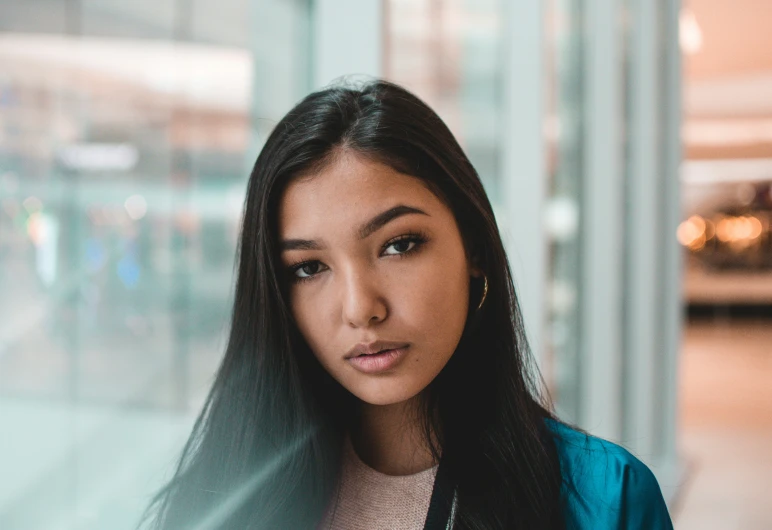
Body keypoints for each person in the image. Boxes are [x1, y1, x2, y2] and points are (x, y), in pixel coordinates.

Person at [141, 80, 674, 529]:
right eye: (309, 268)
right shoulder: (218, 499)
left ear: (475, 249)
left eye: (399, 245)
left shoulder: (604, 501)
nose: (359, 308)